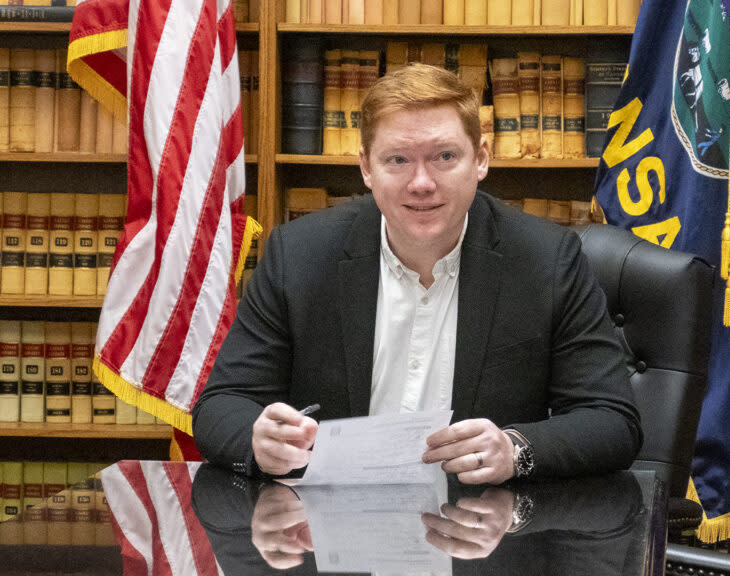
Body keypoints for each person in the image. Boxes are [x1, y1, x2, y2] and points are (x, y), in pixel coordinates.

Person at [192, 63, 641, 485]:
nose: (421, 183)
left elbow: (611, 420)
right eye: (398, 160)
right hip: (333, 539)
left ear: (481, 159)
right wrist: (259, 442)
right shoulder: (300, 255)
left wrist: (514, 448)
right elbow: (221, 406)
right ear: (367, 167)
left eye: (444, 156)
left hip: (482, 540)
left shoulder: (547, 260)